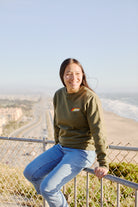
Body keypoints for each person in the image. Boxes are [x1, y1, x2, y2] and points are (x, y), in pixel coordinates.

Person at [23, 58, 108, 207]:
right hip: (61, 148)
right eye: (68, 74)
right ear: (62, 76)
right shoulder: (58, 95)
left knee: (48, 188)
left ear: (83, 75)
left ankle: (51, 190)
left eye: (77, 73)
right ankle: (53, 192)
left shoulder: (89, 97)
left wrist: (103, 163)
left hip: (82, 151)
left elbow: (98, 130)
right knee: (30, 173)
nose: (73, 78)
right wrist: (57, 147)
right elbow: (57, 124)